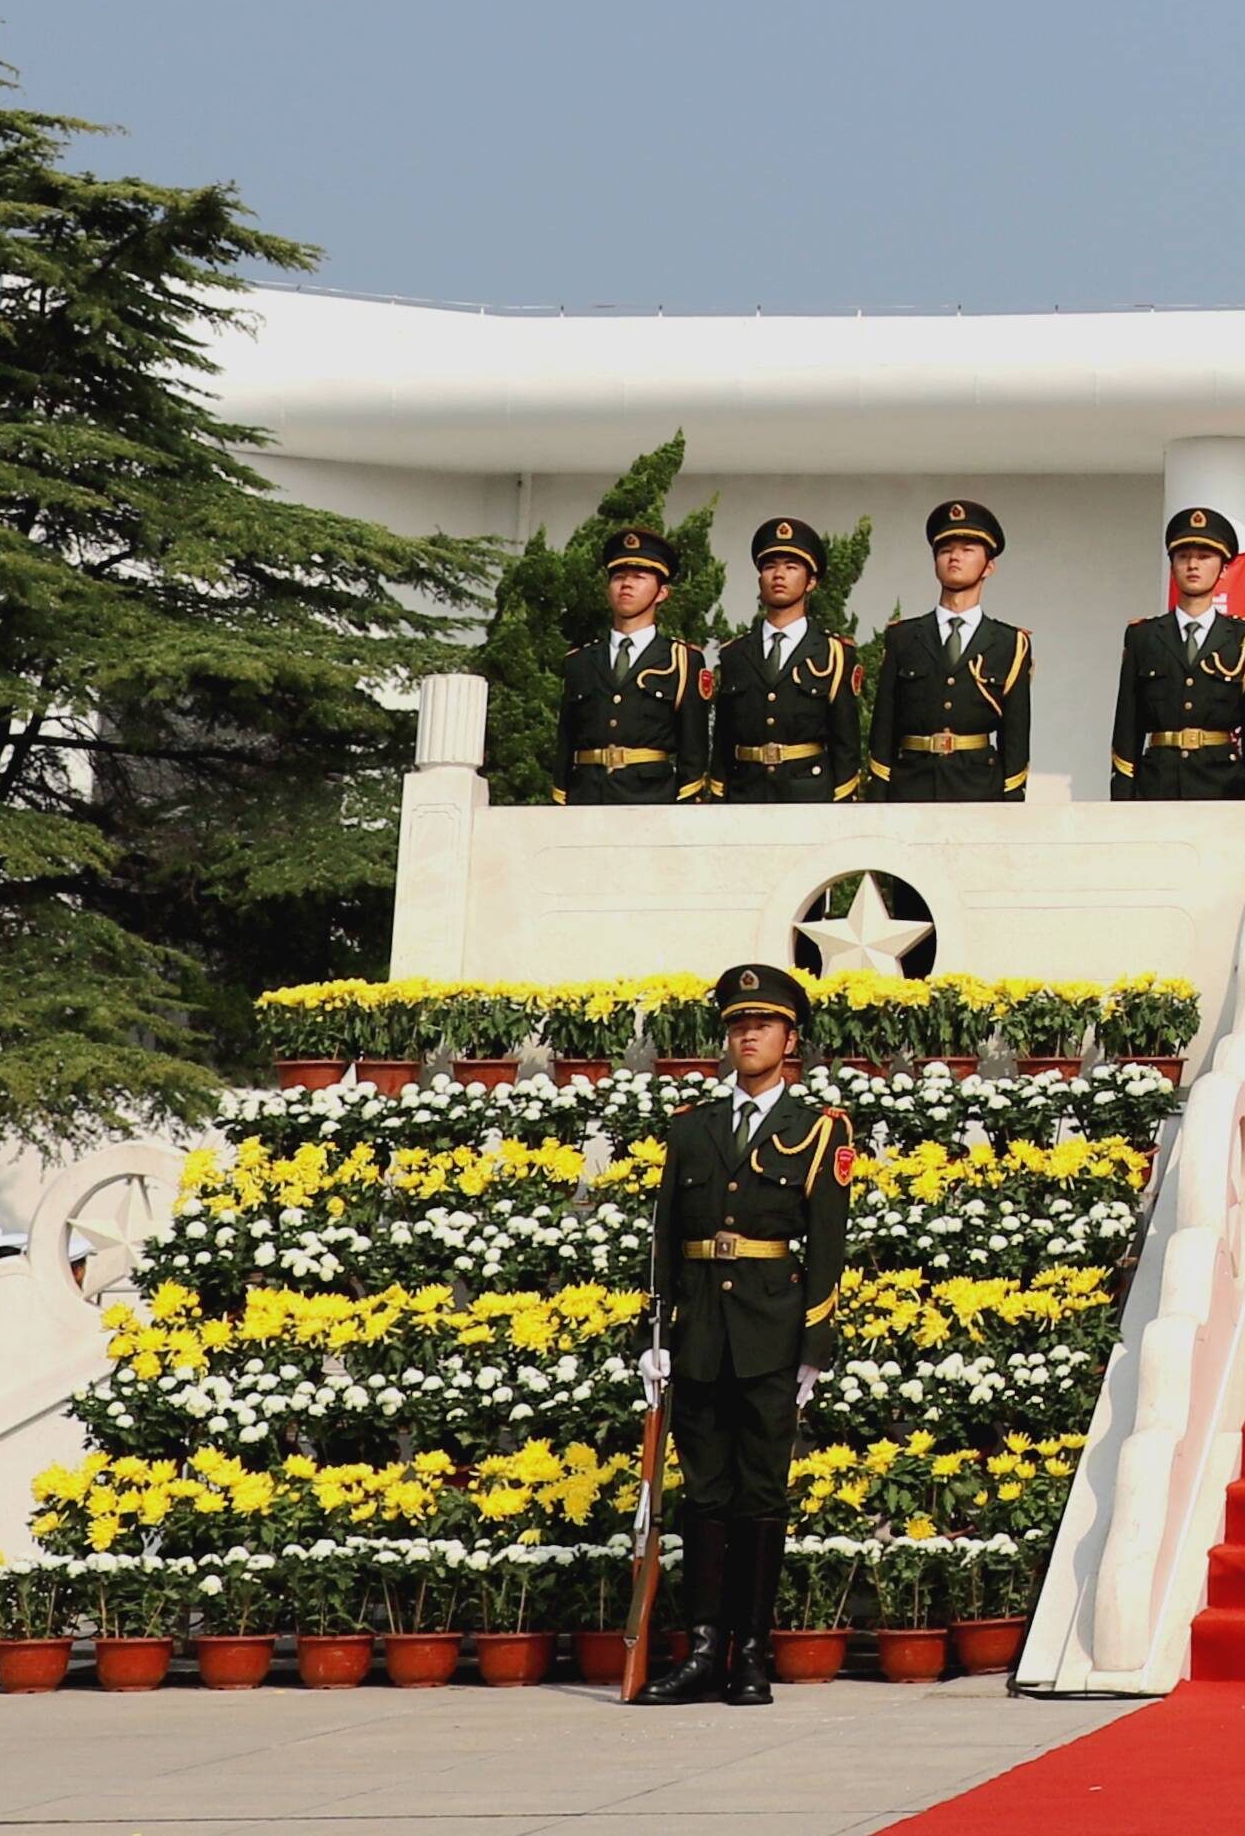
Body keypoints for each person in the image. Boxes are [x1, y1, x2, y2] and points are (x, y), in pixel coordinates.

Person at [631, 961, 860, 1706]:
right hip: (699, 1330)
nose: (748, 1037)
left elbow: (827, 1245)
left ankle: (751, 1654)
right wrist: (656, 1333)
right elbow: (667, 1234)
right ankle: (703, 1651)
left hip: (771, 1332)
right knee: (704, 1494)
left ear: (790, 1040)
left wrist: (814, 1348)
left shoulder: (819, 1130)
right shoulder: (691, 1126)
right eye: (738, 1026)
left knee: (760, 1494)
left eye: (762, 1026)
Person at [864, 498, 1034, 803]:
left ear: (989, 567)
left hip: (979, 788)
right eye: (945, 550)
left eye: (967, 550)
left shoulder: (1009, 643)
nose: (954, 557)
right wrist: (877, 796)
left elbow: (1016, 734)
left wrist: (1012, 801)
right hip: (910, 786)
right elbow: (883, 727)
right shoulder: (903, 637)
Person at [1107, 506, 1245, 803]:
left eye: (1204, 557)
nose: (1193, 565)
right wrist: (1122, 802)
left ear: (1224, 569)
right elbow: (1127, 726)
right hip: (1157, 784)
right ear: (1172, 565)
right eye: (1183, 557)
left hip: (1223, 786)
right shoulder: (1143, 636)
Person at [703, 517, 864, 805]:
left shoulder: (834, 653)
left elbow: (846, 744)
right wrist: (717, 798)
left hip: (809, 796)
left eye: (791, 567)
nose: (779, 575)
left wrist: (842, 806)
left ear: (811, 581)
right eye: (770, 567)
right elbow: (723, 739)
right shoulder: (735, 654)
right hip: (745, 794)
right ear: (760, 580)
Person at [557, 520, 703, 803]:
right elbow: (565, 739)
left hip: (651, 799)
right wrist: (560, 796)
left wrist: (687, 804)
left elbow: (693, 748)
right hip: (587, 797)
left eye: (639, 577)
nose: (626, 584)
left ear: (662, 593)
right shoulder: (580, 661)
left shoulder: (681, 660)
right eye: (618, 577)